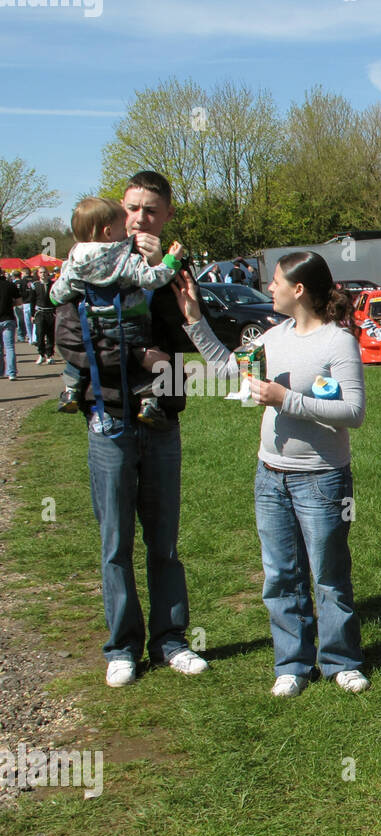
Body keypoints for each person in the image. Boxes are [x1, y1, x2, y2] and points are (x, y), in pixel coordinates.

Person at [174, 251, 369, 696]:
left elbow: (353, 413)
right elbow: (231, 369)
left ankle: (341, 661)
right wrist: (194, 320)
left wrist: (286, 400)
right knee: (281, 576)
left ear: (298, 290)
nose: (269, 288)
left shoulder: (338, 343)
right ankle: (293, 664)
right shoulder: (272, 335)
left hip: (321, 479)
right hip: (270, 476)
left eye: (276, 281)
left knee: (328, 573)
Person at [64, 171, 208, 687]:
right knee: (115, 542)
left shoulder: (170, 270)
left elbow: (191, 338)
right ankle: (121, 647)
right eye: (131, 208)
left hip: (161, 417)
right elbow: (69, 338)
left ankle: (170, 639)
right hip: (109, 418)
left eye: (150, 210)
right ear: (118, 213)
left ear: (167, 215)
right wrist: (130, 352)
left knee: (164, 541)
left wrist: (160, 271)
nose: (138, 218)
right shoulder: (89, 261)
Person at [51, 195, 183, 425]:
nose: (127, 232)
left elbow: (56, 295)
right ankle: (149, 405)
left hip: (91, 325)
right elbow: (152, 278)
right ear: (108, 232)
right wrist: (170, 261)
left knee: (78, 360)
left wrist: (64, 295)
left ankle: (70, 391)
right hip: (130, 324)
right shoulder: (123, 257)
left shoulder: (74, 262)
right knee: (149, 363)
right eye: (122, 228)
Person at [29, 266, 56, 364]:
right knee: (39, 335)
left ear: (47, 273)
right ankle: (41, 354)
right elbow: (32, 301)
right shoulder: (35, 285)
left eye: (44, 272)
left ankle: (49, 355)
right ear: (38, 274)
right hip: (40, 312)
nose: (43, 274)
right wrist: (32, 315)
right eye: (41, 273)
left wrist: (56, 312)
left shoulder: (53, 284)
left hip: (50, 312)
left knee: (50, 335)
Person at [0, 270, 16, 379]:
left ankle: (0, 371)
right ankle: (11, 373)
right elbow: (19, 302)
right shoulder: (10, 285)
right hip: (8, 317)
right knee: (9, 347)